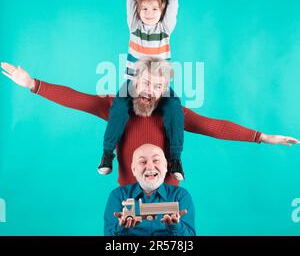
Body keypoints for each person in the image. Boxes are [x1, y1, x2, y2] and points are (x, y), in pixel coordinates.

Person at [1, 59, 298, 187]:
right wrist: (33, 84)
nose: (149, 90)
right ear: (134, 83)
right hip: (128, 193)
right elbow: (76, 98)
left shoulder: (173, 113)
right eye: (145, 82)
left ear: (163, 90)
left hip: (169, 193)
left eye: (157, 86)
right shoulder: (114, 107)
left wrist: (262, 137)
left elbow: (215, 127)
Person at [100, 0, 185, 181]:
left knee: (174, 107)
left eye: (154, 9)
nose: (149, 13)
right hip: (134, 84)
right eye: (144, 9)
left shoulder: (165, 29)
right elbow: (130, 0)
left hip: (158, 86)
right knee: (119, 107)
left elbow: (174, 3)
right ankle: (107, 153)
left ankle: (175, 159)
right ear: (138, 11)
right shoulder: (135, 27)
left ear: (162, 11)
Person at [104, 143, 196, 236]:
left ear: (165, 166)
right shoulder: (118, 196)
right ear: (133, 169)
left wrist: (176, 226)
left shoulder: (180, 196)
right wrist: (122, 227)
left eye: (156, 160)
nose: (150, 167)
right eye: (143, 162)